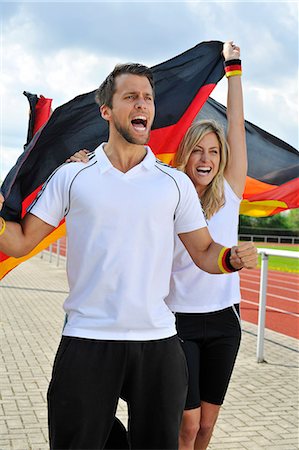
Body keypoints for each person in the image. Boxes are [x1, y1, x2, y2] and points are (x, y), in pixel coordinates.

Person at [0, 60, 257, 450]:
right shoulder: (72, 176)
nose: (143, 105)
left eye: (148, 98)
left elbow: (204, 250)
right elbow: (19, 242)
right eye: (131, 96)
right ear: (106, 110)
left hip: (158, 342)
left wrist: (231, 259)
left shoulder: (175, 184)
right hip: (87, 339)